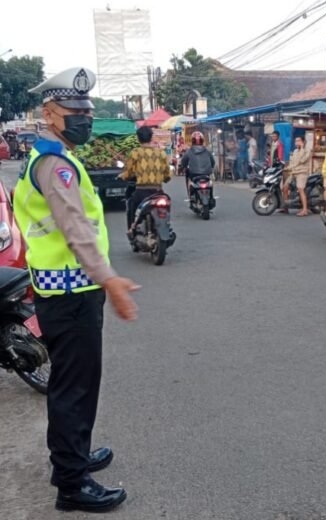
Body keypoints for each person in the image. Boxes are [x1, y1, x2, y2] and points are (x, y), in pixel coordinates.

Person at [17, 67, 139, 512]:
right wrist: (110, 279)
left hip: (69, 291)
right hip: (70, 294)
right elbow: (74, 228)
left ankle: (73, 457)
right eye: (75, 111)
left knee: (78, 383)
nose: (84, 119)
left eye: (87, 111)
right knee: (74, 388)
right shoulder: (53, 164)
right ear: (50, 114)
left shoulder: (56, 156)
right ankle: (71, 483)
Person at [119, 126, 172, 234]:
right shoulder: (161, 153)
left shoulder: (135, 153)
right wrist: (165, 179)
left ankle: (131, 230)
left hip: (141, 192)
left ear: (138, 139)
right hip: (157, 191)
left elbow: (129, 172)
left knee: (131, 206)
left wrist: (122, 176)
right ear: (151, 137)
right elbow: (167, 173)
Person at [279, 135, 312, 216]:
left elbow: (302, 160)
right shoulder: (295, 151)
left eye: (298, 141)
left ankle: (304, 210)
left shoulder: (307, 151)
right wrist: (286, 168)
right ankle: (285, 208)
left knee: (300, 189)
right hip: (294, 172)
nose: (297, 143)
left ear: (303, 142)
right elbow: (292, 163)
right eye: (296, 141)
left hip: (302, 172)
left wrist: (302, 148)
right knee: (285, 188)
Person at [180, 131, 216, 201]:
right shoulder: (207, 151)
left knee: (189, 178)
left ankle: (191, 196)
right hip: (206, 173)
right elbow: (213, 162)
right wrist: (211, 168)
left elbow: (183, 162)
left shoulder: (189, 151)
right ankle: (211, 197)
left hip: (194, 174)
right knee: (210, 182)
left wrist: (183, 167)